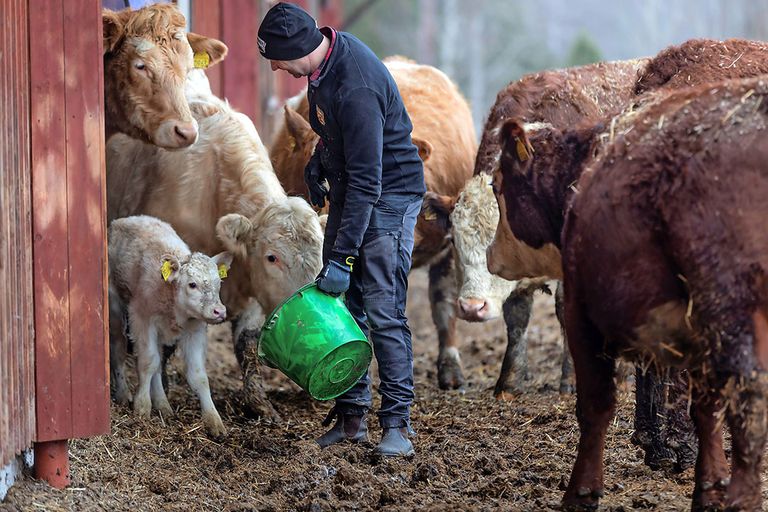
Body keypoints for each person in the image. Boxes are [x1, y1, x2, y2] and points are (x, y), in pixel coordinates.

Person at [258, 2, 426, 457]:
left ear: (297, 48)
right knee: (342, 301)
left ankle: (397, 425)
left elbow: (371, 178)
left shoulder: (356, 85)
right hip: (354, 185)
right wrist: (319, 161)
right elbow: (338, 137)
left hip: (388, 192)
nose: (274, 66)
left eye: (275, 57)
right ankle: (352, 419)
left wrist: (344, 257)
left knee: (383, 308)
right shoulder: (321, 67)